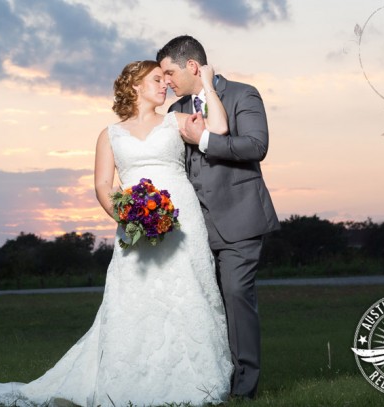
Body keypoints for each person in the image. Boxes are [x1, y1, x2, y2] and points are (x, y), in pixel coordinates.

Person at [0, 60, 233, 406]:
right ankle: (130, 380)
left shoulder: (175, 121)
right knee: (135, 299)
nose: (165, 85)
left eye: (165, 79)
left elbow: (218, 128)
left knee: (189, 292)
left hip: (181, 219)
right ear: (135, 86)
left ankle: (196, 379)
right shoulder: (109, 134)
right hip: (134, 226)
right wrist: (129, 218)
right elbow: (102, 185)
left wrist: (209, 86)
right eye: (156, 79)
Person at [157, 35, 280, 399]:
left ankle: (244, 387)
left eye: (169, 72)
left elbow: (256, 146)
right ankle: (209, 377)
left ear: (192, 66)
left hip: (239, 218)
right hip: (193, 226)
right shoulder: (174, 109)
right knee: (203, 303)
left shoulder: (243, 94)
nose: (165, 81)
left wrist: (205, 140)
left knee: (236, 295)